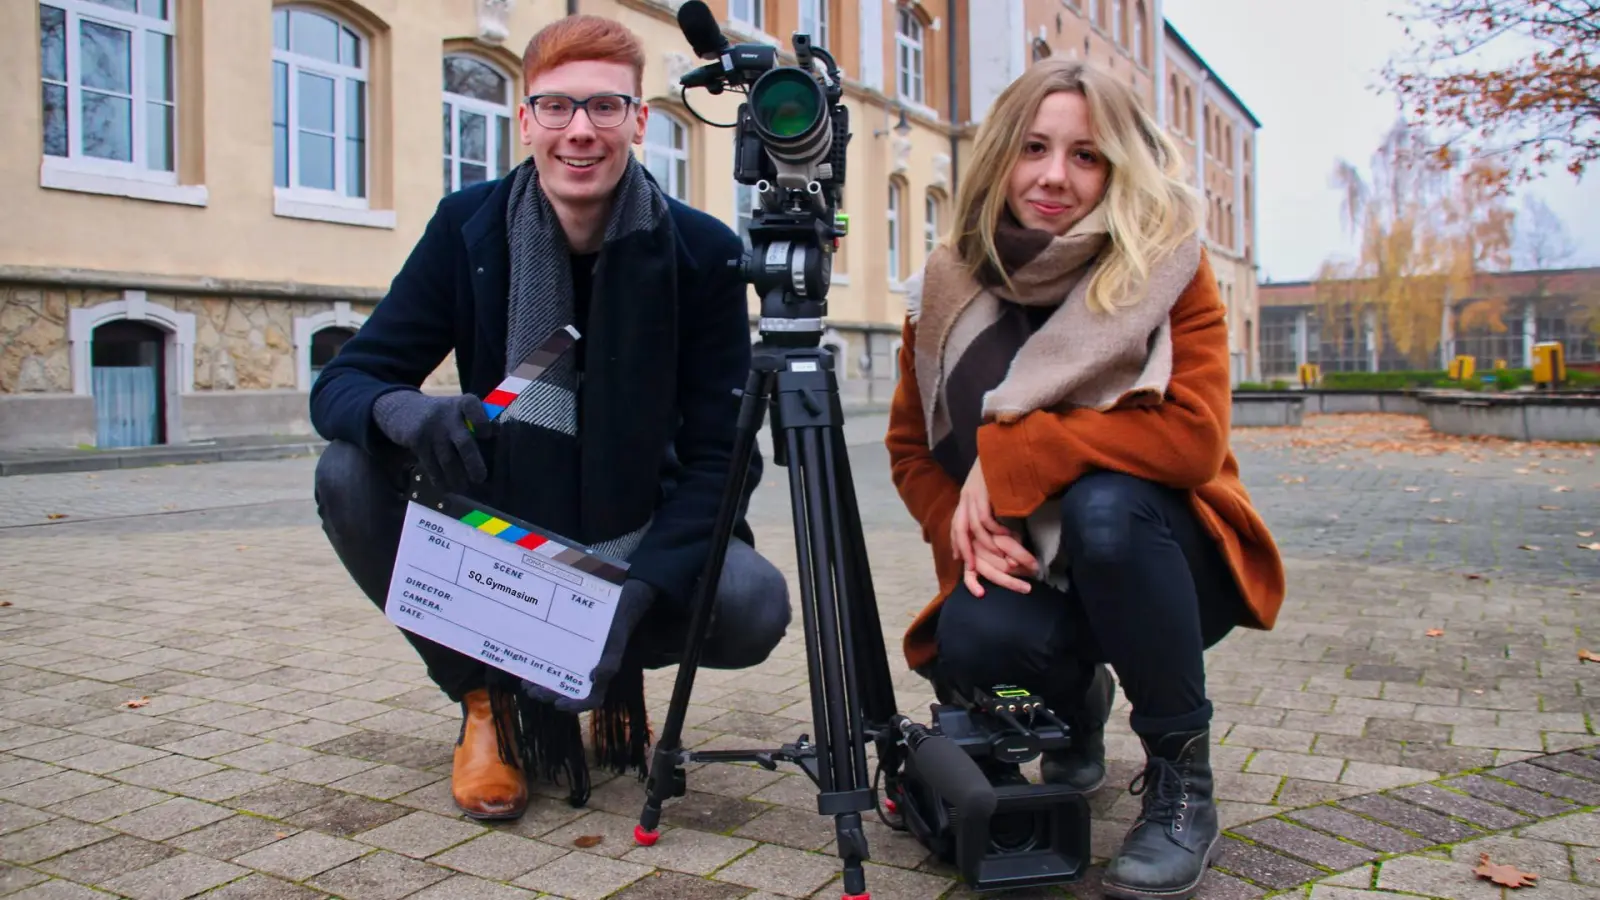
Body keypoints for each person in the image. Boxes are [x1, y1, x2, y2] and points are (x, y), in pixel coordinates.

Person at [309, 15, 790, 821]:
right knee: (346, 471)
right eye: (558, 108)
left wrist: (635, 596)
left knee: (752, 606)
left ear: (640, 120)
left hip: (634, 534)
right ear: (525, 119)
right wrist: (403, 411)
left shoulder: (701, 253)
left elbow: (723, 459)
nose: (581, 131)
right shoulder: (468, 227)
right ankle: (484, 703)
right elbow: (343, 383)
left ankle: (605, 663)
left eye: (606, 107)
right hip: (500, 522)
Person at [884, 58, 1285, 900]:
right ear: (1002, 153)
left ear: (1116, 168)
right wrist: (967, 521)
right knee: (975, 638)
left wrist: (1010, 460)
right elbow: (913, 451)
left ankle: (1183, 783)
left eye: (1086, 155)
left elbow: (1193, 439)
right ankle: (1079, 701)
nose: (1055, 177)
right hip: (1033, 563)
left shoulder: (1165, 267)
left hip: (1169, 560)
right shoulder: (947, 283)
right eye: (1035, 148)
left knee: (1106, 508)